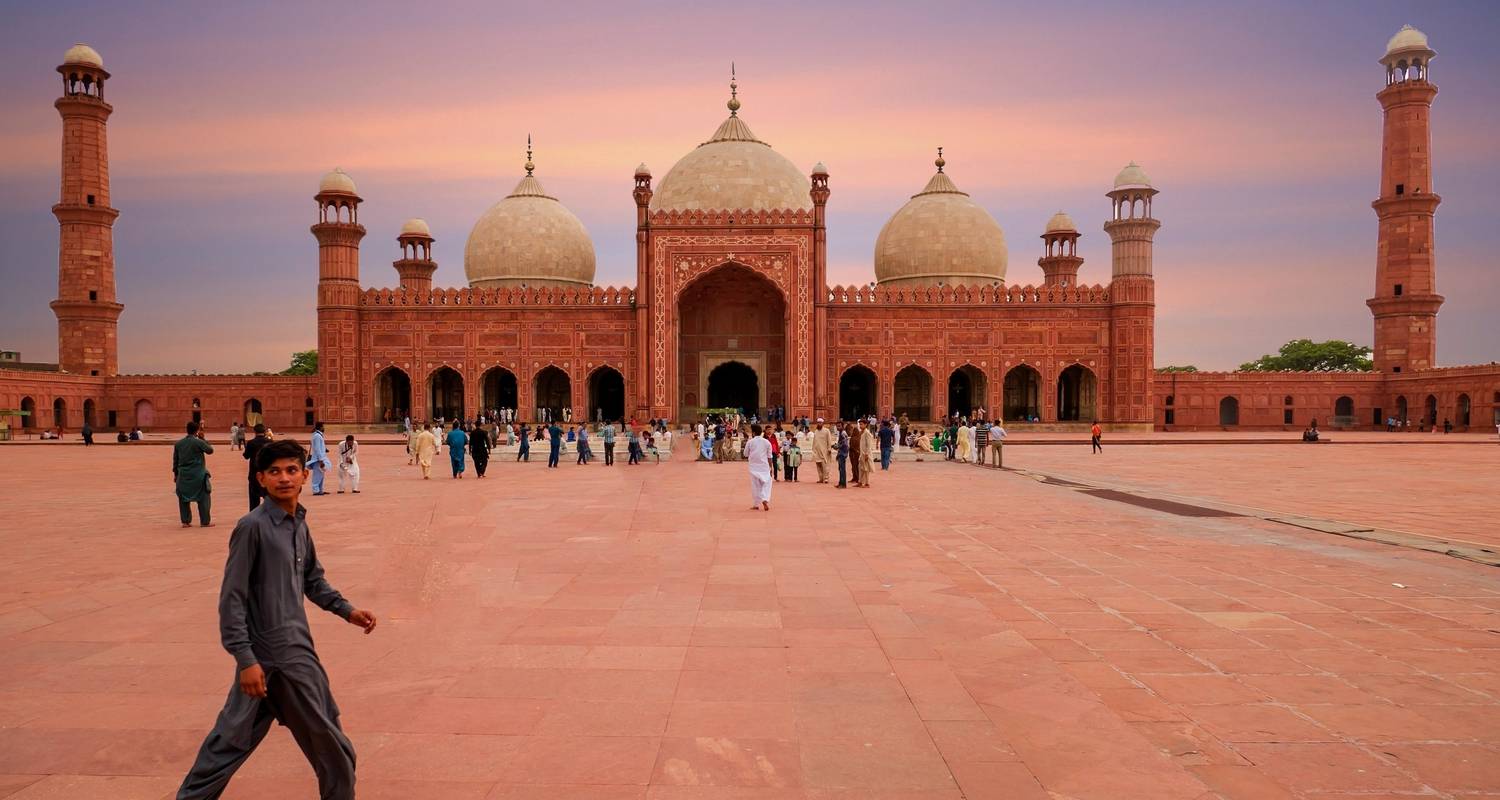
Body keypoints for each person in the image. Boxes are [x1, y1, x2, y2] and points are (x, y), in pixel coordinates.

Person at [175, 438, 377, 800]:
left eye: (291, 470)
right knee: (335, 754)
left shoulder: (298, 523)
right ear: (260, 480)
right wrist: (246, 660)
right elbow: (232, 599)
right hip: (275, 660)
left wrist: (348, 611)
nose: (284, 478)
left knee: (226, 746)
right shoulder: (252, 527)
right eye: (274, 471)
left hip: (292, 652)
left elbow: (312, 581)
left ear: (304, 475)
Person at [173, 421, 214, 528]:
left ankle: (185, 521)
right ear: (196, 431)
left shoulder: (179, 444)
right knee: (204, 498)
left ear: (186, 429)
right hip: (198, 475)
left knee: (183, 498)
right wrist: (202, 438)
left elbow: (175, 461)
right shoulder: (198, 442)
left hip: (183, 475)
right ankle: (205, 521)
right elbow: (210, 450)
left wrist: (175, 474)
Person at [241, 424, 270, 512]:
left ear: (255, 432)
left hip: (254, 473)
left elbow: (246, 456)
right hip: (267, 473)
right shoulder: (270, 442)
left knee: (254, 498)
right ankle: (270, 514)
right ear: (264, 431)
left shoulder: (251, 443)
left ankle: (254, 514)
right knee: (268, 496)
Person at [745, 424, 773, 511]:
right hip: (764, 466)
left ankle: (756, 504)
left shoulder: (750, 442)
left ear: (753, 433)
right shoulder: (767, 442)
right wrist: (771, 467)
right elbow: (769, 456)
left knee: (755, 486)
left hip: (753, 466)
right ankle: (765, 499)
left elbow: (745, 454)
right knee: (767, 483)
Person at [307, 422, 330, 496]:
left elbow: (319, 446)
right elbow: (317, 448)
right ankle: (315, 490)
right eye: (323, 426)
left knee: (321, 475)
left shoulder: (318, 435)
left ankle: (320, 490)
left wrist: (325, 449)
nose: (324, 428)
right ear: (320, 427)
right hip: (318, 459)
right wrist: (320, 459)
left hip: (321, 457)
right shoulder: (317, 436)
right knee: (317, 475)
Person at [810, 419, 832, 483]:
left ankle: (826, 478)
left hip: (824, 451)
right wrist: (813, 449)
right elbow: (814, 441)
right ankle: (821, 478)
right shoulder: (816, 431)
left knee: (825, 466)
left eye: (820, 423)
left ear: (823, 423)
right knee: (818, 466)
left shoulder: (826, 431)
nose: (819, 424)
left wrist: (829, 448)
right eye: (818, 422)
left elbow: (829, 440)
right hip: (817, 451)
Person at [859, 422, 876, 487]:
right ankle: (860, 481)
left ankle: (867, 483)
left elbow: (869, 445)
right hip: (862, 453)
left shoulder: (867, 433)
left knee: (866, 468)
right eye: (860, 424)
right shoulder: (862, 432)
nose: (860, 426)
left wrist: (867, 454)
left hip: (866, 453)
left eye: (862, 424)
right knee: (861, 467)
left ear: (865, 425)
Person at [835, 424, 851, 489]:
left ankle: (843, 484)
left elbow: (845, 444)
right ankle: (840, 483)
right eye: (837, 426)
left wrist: (837, 446)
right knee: (840, 469)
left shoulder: (843, 433)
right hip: (841, 452)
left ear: (842, 426)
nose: (837, 427)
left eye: (839, 426)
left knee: (842, 469)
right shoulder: (840, 433)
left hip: (843, 453)